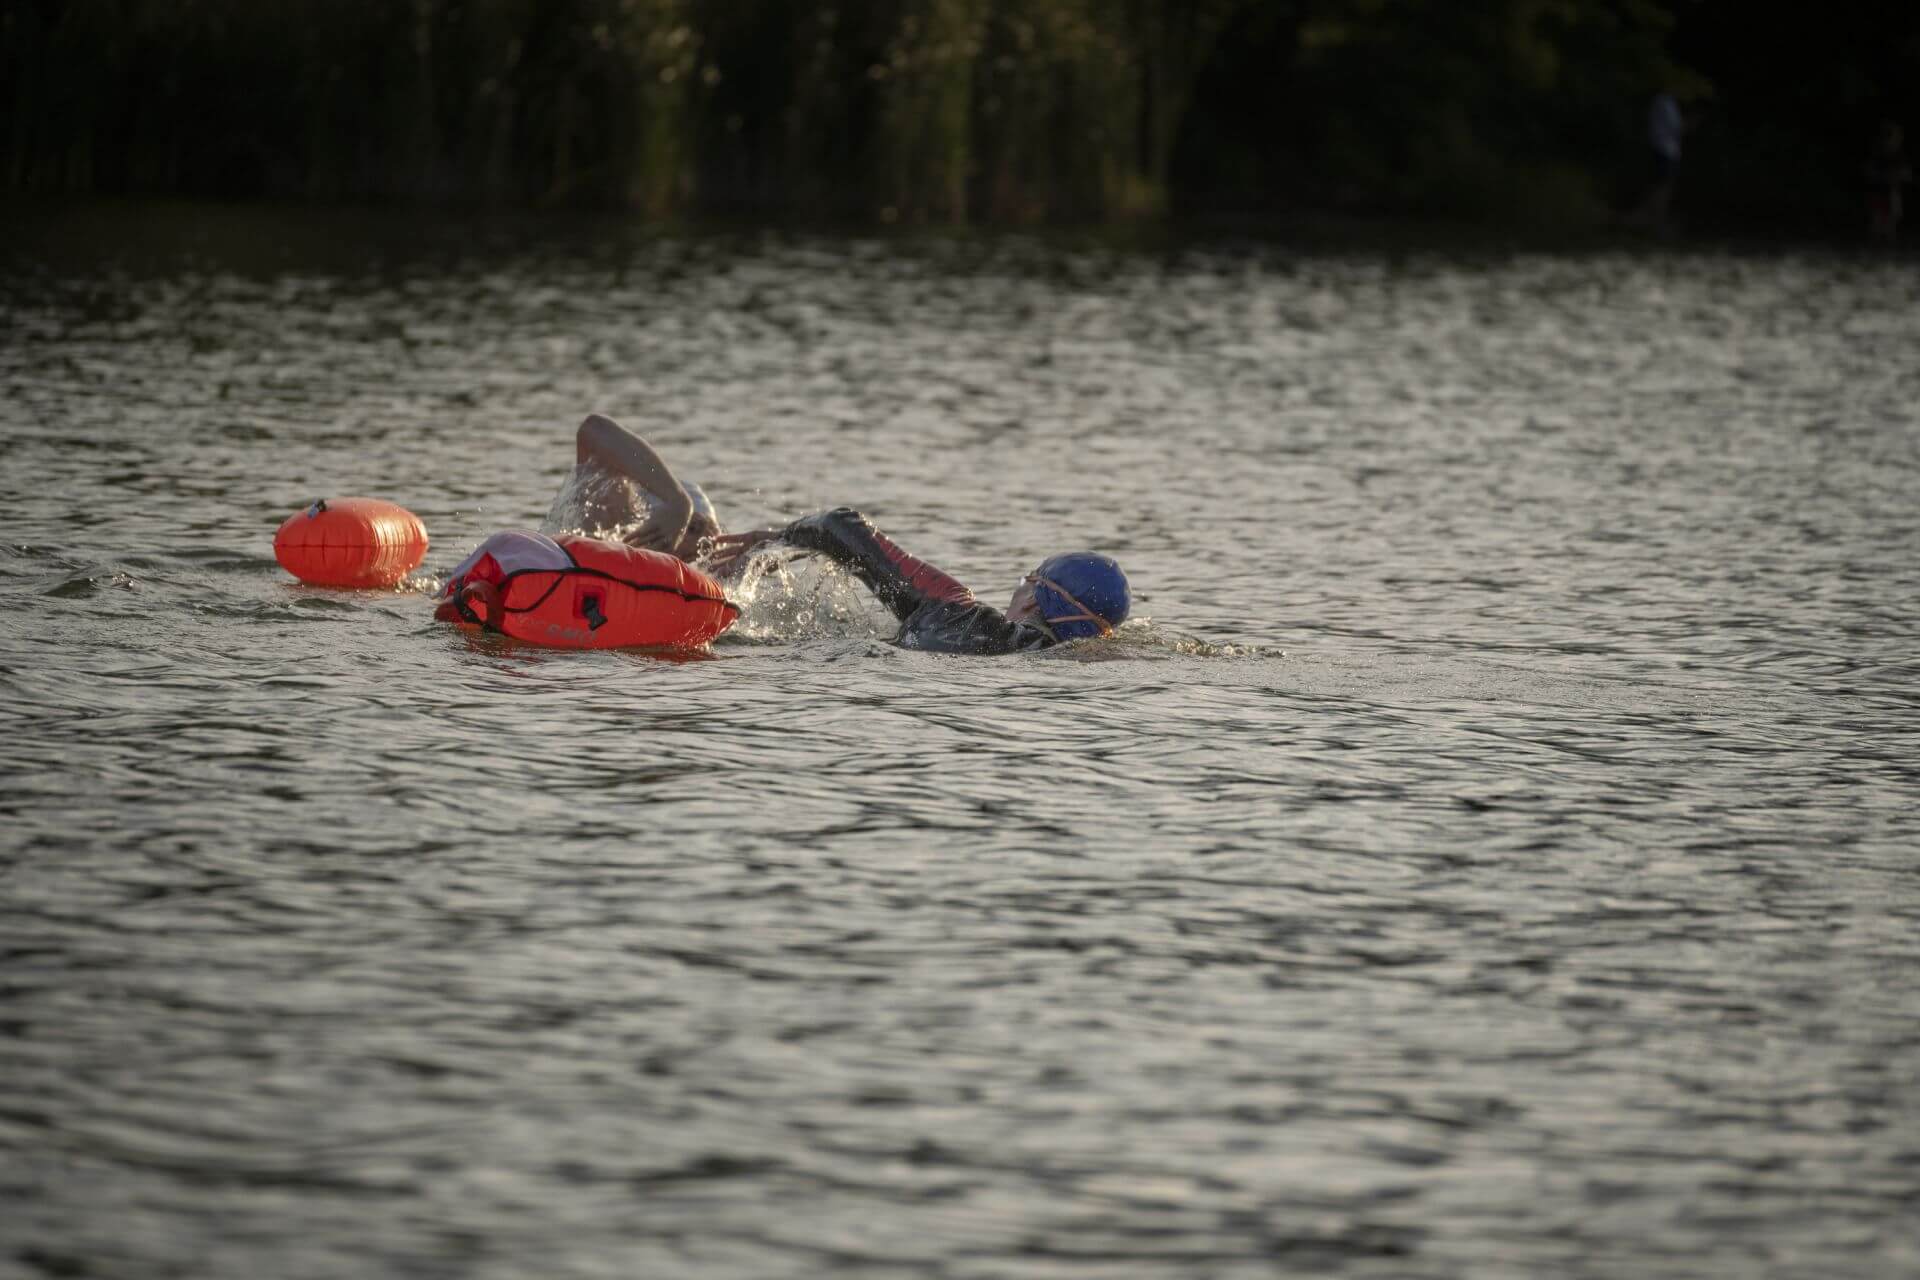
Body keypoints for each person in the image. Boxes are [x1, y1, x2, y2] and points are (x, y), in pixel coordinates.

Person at [708, 507, 1130, 655]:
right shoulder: (1072, 658)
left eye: (1026, 579)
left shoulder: (955, 612)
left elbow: (840, 524)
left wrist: (775, 540)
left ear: (1035, 600)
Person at [542, 413, 721, 560]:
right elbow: (594, 428)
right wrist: (679, 503)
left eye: (710, 536)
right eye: (693, 527)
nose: (703, 543)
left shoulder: (711, 571)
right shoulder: (606, 517)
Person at [1866, 120, 1912, 244]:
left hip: (1893, 191)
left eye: (1899, 137)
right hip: (1878, 191)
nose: (1898, 140)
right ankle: (1875, 242)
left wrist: (1900, 175)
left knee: (1892, 218)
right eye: (1894, 137)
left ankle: (1890, 242)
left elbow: (1906, 174)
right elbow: (1870, 171)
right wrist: (1883, 176)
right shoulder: (1878, 155)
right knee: (1878, 218)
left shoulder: (1900, 156)